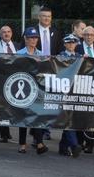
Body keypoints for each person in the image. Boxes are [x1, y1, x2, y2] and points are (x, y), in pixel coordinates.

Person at [15, 27, 49, 155]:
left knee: (38, 116)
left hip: (38, 89)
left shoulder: (42, 55)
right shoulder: (19, 54)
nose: (33, 40)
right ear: (25, 39)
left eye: (35, 38)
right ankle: (22, 144)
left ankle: (39, 143)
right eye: (31, 38)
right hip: (23, 88)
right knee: (24, 117)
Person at [76, 25, 94, 153]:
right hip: (80, 85)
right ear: (83, 35)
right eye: (87, 35)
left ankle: (91, 144)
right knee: (81, 115)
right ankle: (79, 141)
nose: (89, 37)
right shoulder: (77, 47)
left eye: (92, 35)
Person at [57, 34, 83, 157]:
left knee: (70, 118)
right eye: (69, 43)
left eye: (73, 43)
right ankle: (74, 144)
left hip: (75, 90)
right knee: (67, 118)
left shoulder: (80, 57)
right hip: (63, 90)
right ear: (65, 44)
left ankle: (63, 146)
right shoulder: (60, 57)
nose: (71, 45)